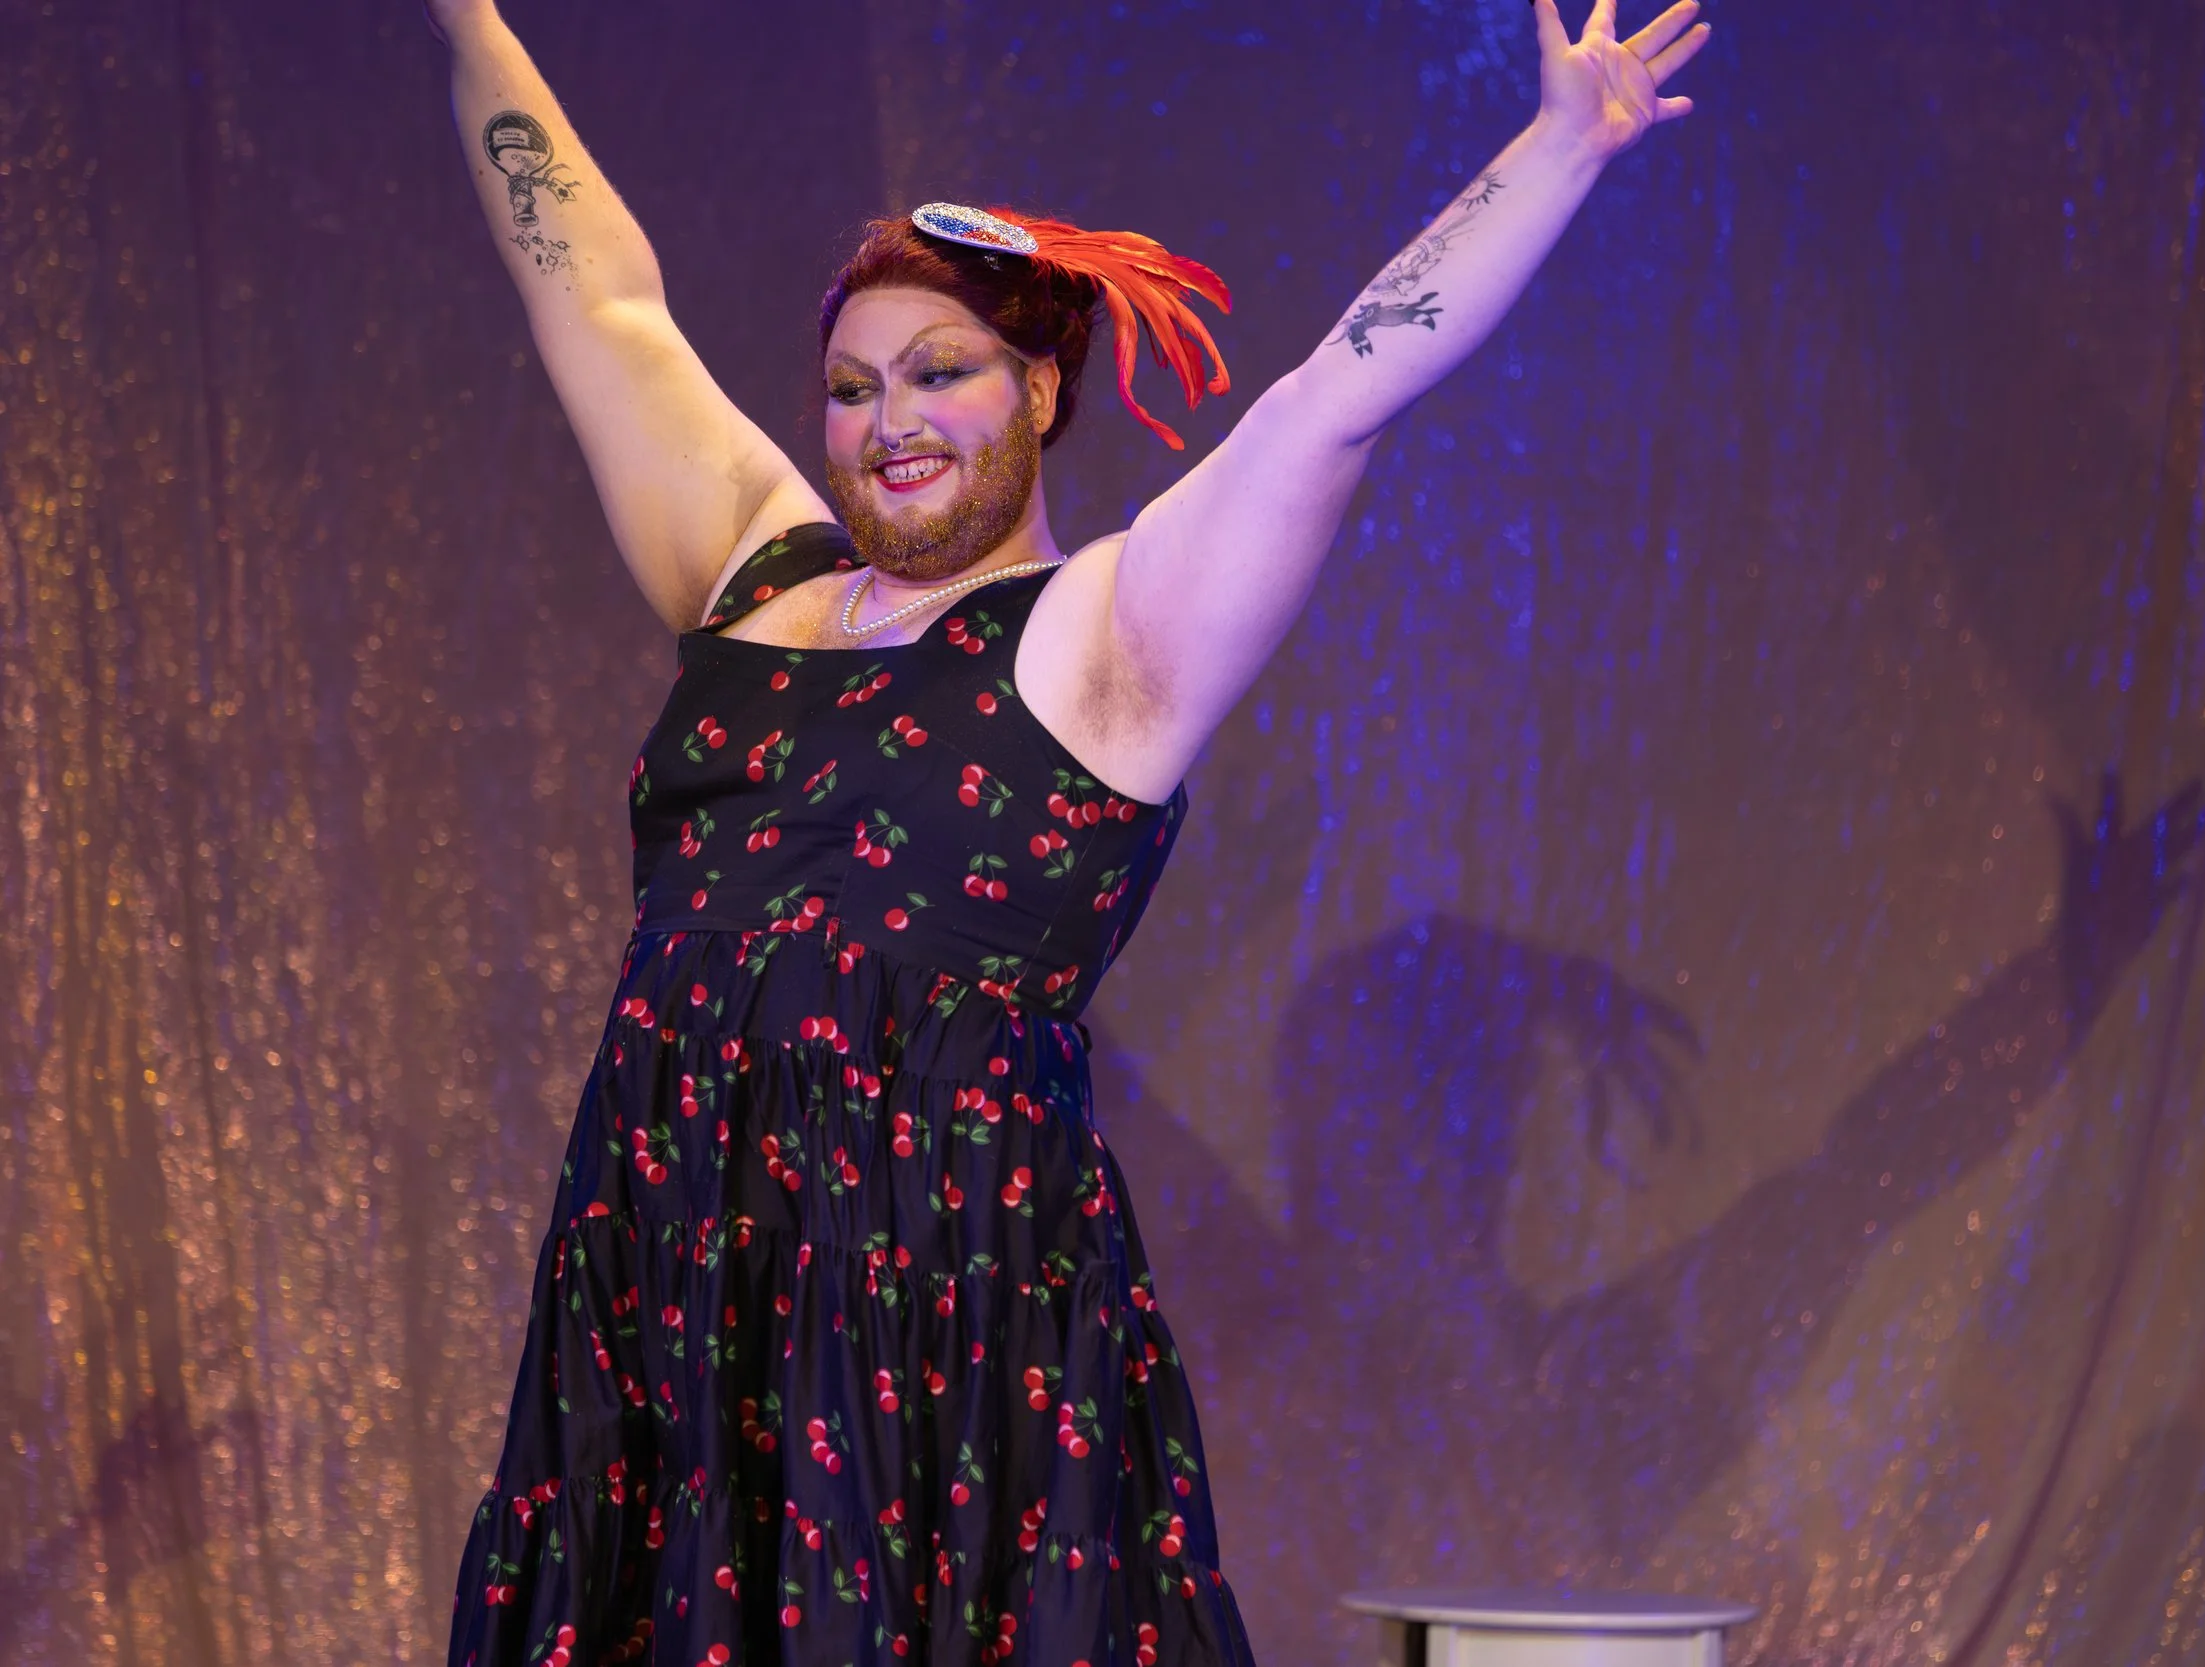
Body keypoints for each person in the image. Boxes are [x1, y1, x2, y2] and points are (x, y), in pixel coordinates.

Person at [424, 0, 1709, 1662]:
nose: (889, 417)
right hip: (672, 1290)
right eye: (851, 383)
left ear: (1040, 384)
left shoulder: (1108, 640)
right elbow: (593, 294)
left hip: (939, 1335)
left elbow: (1338, 396)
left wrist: (1557, 148)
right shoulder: (757, 572)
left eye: (940, 371)